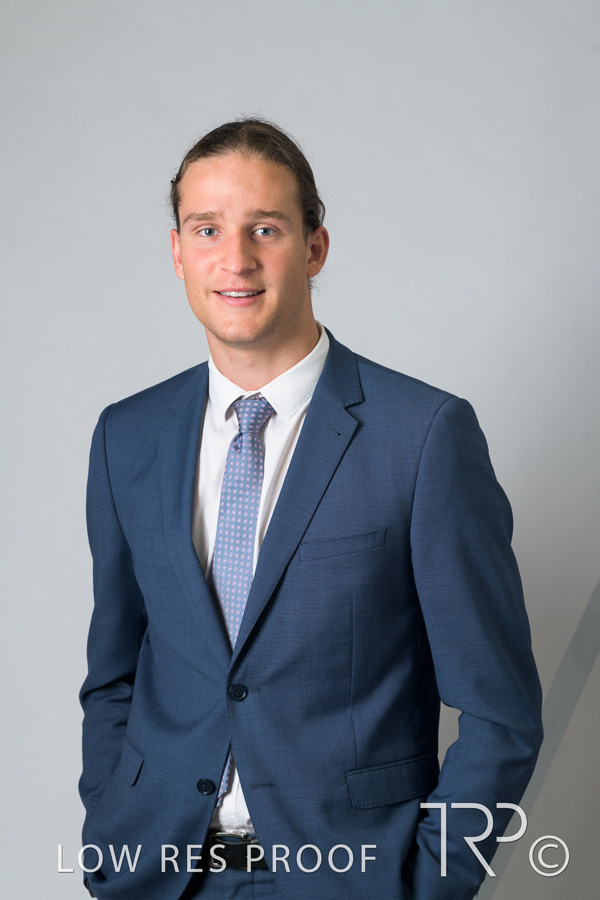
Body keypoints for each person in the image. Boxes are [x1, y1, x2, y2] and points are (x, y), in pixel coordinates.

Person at [79, 118, 543, 900]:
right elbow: (115, 676)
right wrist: (109, 837)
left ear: (315, 247)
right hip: (158, 878)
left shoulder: (423, 435)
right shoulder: (127, 437)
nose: (236, 259)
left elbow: (502, 712)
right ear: (178, 252)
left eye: (265, 228)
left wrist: (430, 885)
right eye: (207, 230)